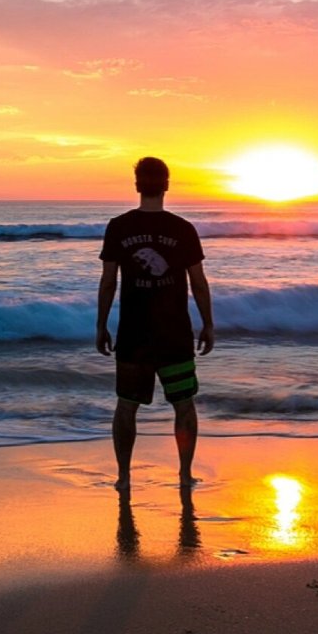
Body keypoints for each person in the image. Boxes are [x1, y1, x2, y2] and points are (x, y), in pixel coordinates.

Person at [97, 157, 214, 491]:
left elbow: (108, 283)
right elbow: (199, 283)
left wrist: (101, 325)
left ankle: (123, 477)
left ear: (137, 185)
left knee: (126, 406)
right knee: (183, 405)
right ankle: (184, 475)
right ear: (166, 184)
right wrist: (208, 324)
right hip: (174, 332)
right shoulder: (183, 229)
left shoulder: (118, 226)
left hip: (134, 332)